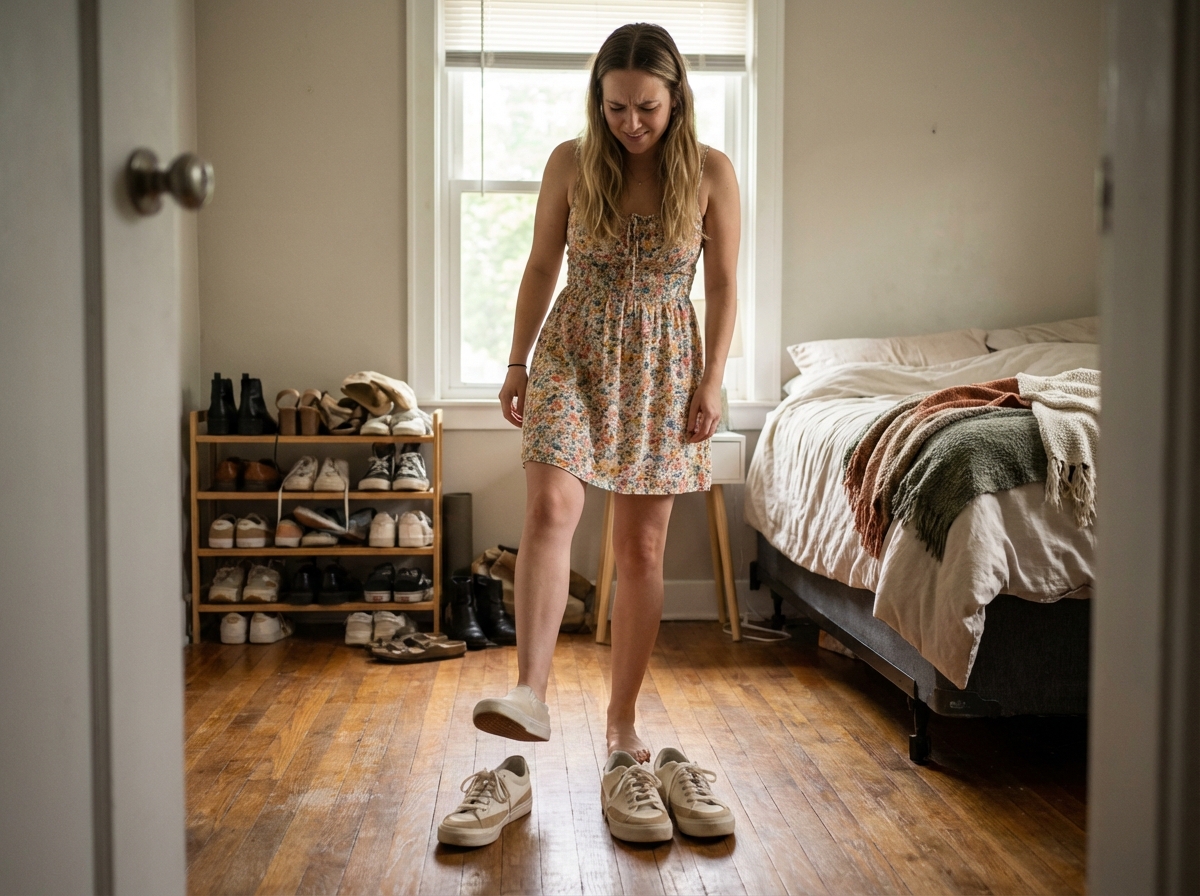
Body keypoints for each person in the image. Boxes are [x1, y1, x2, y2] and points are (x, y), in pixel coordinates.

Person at [445, 22, 739, 846]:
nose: (630, 123)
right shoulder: (572, 163)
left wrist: (713, 382)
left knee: (640, 553)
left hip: (664, 369)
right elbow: (542, 264)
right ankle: (530, 695)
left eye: (646, 107)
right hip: (572, 351)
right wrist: (513, 362)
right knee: (549, 513)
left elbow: (723, 287)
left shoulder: (712, 173)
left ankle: (622, 730)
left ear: (675, 97)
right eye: (614, 107)